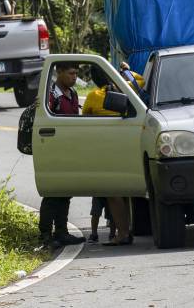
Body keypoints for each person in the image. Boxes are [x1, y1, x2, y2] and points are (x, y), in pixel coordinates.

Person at [82, 62, 144, 246]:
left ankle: (123, 233)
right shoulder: (129, 90)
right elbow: (140, 79)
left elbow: (84, 121)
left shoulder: (94, 96)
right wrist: (125, 70)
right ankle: (126, 231)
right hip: (129, 148)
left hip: (107, 150)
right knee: (125, 193)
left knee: (113, 193)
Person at [39, 62, 85, 248]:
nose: (74, 77)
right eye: (71, 73)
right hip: (53, 150)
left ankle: (61, 232)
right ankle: (45, 236)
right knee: (52, 193)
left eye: (76, 73)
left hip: (69, 150)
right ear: (59, 73)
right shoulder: (50, 95)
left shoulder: (72, 94)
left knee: (65, 192)